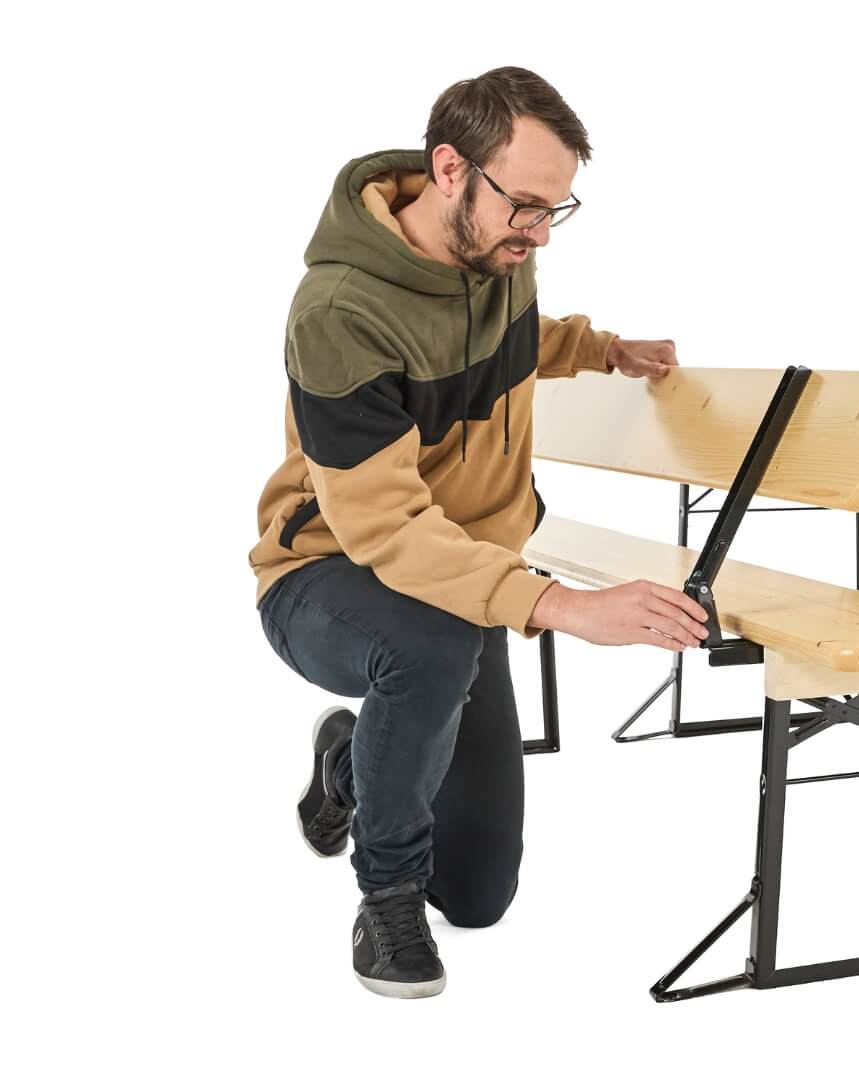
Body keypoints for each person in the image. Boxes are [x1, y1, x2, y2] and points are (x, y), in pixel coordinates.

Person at [250, 67, 711, 999]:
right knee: (432, 642)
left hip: (465, 583)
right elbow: (386, 529)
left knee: (480, 894)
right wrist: (564, 608)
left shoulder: (499, 248)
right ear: (450, 167)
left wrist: (601, 347)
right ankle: (383, 898)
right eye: (528, 205)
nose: (539, 233)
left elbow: (513, 332)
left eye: (557, 210)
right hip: (327, 573)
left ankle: (351, 757)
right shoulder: (339, 312)